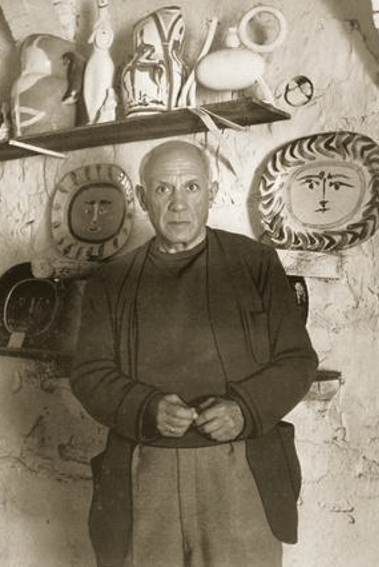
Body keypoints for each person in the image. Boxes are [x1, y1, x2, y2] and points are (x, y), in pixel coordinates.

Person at [70, 140, 319, 567]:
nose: (178, 203)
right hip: (145, 472)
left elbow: (297, 360)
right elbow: (89, 373)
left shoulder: (254, 263)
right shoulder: (112, 279)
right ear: (143, 198)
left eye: (191, 187)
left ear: (212, 192)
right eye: (163, 189)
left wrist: (244, 409)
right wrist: (146, 407)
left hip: (240, 470)